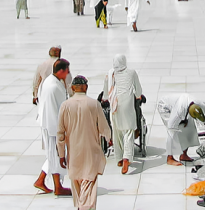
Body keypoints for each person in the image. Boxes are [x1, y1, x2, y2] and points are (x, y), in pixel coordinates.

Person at [57, 74, 112, 210]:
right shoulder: (94, 104)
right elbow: (104, 127)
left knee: (77, 184)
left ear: (73, 88)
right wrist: (108, 138)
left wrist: (61, 154)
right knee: (89, 183)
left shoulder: (65, 105)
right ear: (86, 87)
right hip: (90, 153)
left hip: (74, 153)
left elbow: (60, 133)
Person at [35, 58, 72, 197]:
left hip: (49, 123)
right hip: (52, 126)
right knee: (56, 154)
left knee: (53, 154)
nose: (68, 73)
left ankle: (41, 180)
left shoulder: (51, 81)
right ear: (61, 71)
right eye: (67, 71)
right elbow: (53, 109)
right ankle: (58, 187)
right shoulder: (53, 86)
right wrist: (59, 131)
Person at [103, 54, 143, 174]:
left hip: (114, 105)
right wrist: (138, 96)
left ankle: (119, 158)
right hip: (127, 105)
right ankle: (127, 158)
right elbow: (138, 89)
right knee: (129, 131)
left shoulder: (109, 73)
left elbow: (105, 92)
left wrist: (105, 98)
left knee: (117, 131)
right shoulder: (131, 72)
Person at [157, 93, 205, 166]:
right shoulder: (179, 111)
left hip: (181, 106)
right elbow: (171, 129)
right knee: (175, 131)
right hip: (165, 107)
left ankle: (184, 155)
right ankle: (170, 158)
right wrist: (182, 121)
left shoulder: (198, 104)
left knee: (189, 127)